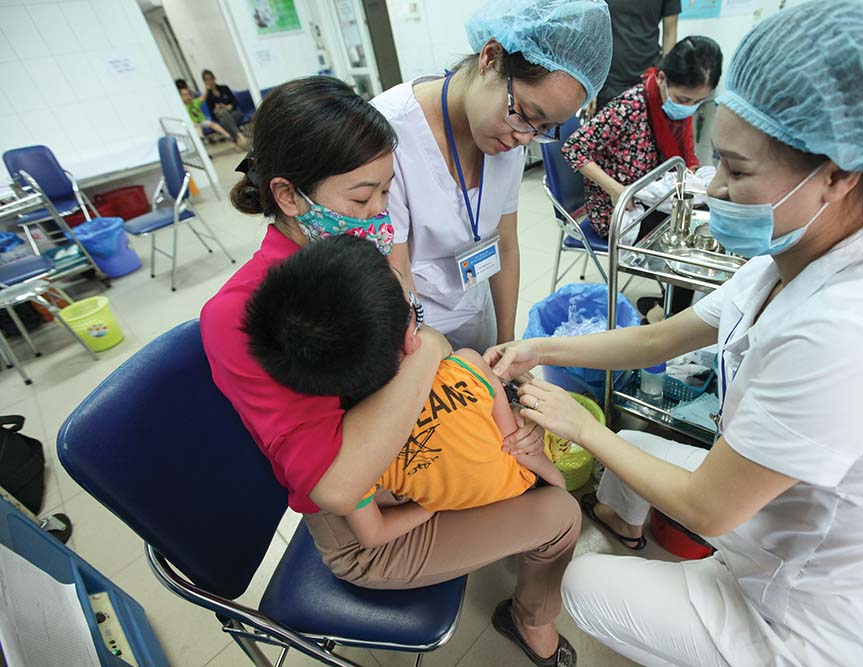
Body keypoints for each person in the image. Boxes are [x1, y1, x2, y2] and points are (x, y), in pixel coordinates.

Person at [486, 1, 863, 665]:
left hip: (810, 625)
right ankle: (629, 529)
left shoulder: (851, 337)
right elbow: (653, 341)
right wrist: (541, 348)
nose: (713, 190)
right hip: (770, 536)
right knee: (638, 444)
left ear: (837, 176)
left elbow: (709, 507)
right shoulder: (788, 262)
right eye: (716, 162)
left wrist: (582, 426)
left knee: (585, 578)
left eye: (737, 170)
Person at [201, 76, 582, 667]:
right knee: (561, 513)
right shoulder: (253, 315)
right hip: (368, 530)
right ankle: (531, 618)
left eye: (386, 191)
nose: (380, 212)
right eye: (361, 198)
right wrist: (430, 348)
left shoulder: (352, 257)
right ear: (290, 195)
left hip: (409, 464)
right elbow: (336, 486)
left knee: (531, 463)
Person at [242, 234, 566, 549]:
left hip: (451, 514)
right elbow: (523, 449)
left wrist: (435, 504)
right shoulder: (468, 365)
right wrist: (556, 484)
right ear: (412, 336)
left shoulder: (353, 454)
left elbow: (373, 535)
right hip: (517, 487)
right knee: (564, 514)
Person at [371, 0, 612, 352]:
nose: (525, 138)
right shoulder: (389, 133)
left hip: (474, 312)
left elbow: (507, 244)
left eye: (546, 128)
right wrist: (435, 363)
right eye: (527, 114)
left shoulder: (509, 134)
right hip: (413, 334)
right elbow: (396, 273)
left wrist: (504, 344)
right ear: (491, 58)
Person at [563, 36, 721, 238]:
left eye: (698, 101)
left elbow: (686, 160)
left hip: (651, 196)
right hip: (619, 209)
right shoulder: (631, 106)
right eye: (683, 99)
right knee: (689, 232)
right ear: (662, 79)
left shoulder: (674, 115)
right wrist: (616, 190)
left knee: (709, 214)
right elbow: (573, 148)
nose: (688, 108)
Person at [591, 0, 682, 113]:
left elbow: (670, 32)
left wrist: (666, 78)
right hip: (609, 79)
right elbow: (593, 27)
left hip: (648, 78)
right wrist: (592, 84)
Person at [178, 85, 247, 149]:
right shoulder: (183, 107)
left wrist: (206, 88)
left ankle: (228, 136)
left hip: (202, 121)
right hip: (194, 124)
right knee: (198, 129)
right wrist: (193, 123)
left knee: (213, 124)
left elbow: (203, 97)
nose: (188, 97)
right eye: (185, 95)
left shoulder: (195, 102)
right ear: (181, 97)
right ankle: (202, 140)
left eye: (188, 94)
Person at [201, 69, 247, 140]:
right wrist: (216, 110)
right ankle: (239, 134)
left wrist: (227, 106)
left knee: (232, 117)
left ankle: (234, 137)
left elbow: (235, 102)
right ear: (205, 82)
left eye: (210, 79)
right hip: (220, 115)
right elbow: (212, 113)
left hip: (232, 113)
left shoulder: (224, 88)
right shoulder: (208, 96)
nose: (210, 82)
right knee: (223, 113)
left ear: (214, 78)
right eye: (207, 80)